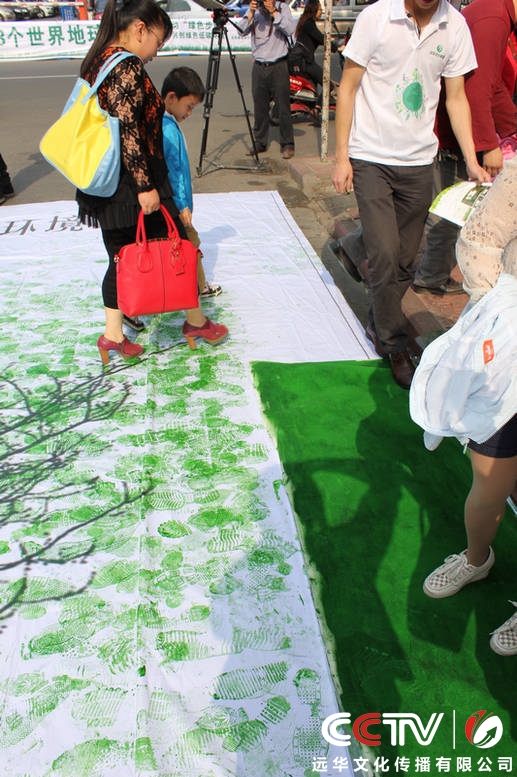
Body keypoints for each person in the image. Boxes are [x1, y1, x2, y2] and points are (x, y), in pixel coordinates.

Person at [332, 0, 490, 390]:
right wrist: (342, 157)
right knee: (385, 255)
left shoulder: (454, 26)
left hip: (419, 162)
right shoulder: (376, 18)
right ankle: (393, 344)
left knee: (404, 261)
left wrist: (471, 158)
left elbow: (456, 98)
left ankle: (374, 304)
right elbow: (348, 88)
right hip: (370, 158)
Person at [76, 0, 228, 363]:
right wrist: (145, 186)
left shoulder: (98, 59)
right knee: (179, 245)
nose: (156, 52)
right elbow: (129, 129)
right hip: (132, 187)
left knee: (119, 258)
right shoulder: (126, 65)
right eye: (158, 42)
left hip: (104, 183)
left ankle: (113, 336)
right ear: (140, 29)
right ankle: (196, 323)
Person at [410, 155, 517, 656]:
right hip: (508, 360)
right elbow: (480, 239)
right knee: (489, 484)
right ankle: (477, 558)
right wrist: (500, 319)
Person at [411, 0, 517, 296]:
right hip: (454, 133)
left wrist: (509, 127)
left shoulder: (496, 15)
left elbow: (493, 86)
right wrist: (488, 145)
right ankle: (429, 277)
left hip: (458, 131)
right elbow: (478, 88)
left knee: (432, 207)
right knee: (450, 209)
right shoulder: (493, 19)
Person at [161, 67, 222, 300]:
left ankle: (187, 287)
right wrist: (183, 205)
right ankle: (198, 287)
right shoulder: (167, 129)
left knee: (180, 245)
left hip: (173, 204)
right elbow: (174, 172)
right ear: (171, 98)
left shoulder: (165, 123)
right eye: (189, 106)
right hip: (176, 206)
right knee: (190, 244)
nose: (189, 112)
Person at [236, 0, 297, 160]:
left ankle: (287, 143)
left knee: (283, 106)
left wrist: (274, 13)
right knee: (260, 106)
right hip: (259, 65)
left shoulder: (282, 8)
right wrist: (250, 13)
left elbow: (290, 30)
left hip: (278, 65)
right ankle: (260, 142)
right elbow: (240, 31)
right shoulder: (255, 11)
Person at [288, 0, 343, 92]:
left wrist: (332, 40)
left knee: (319, 83)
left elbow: (317, 37)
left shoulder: (306, 22)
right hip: (305, 62)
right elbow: (320, 38)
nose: (321, 12)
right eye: (320, 10)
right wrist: (337, 48)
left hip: (306, 60)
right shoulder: (308, 23)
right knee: (327, 84)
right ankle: (324, 100)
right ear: (314, 10)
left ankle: (318, 100)